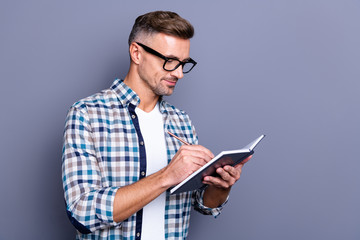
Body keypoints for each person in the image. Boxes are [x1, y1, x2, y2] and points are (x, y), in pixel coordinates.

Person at [62, 10, 250, 240]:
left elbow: (202, 204)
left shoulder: (181, 122)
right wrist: (165, 176)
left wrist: (220, 186)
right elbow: (82, 213)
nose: (179, 73)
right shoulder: (87, 115)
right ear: (136, 53)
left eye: (184, 63)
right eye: (170, 61)